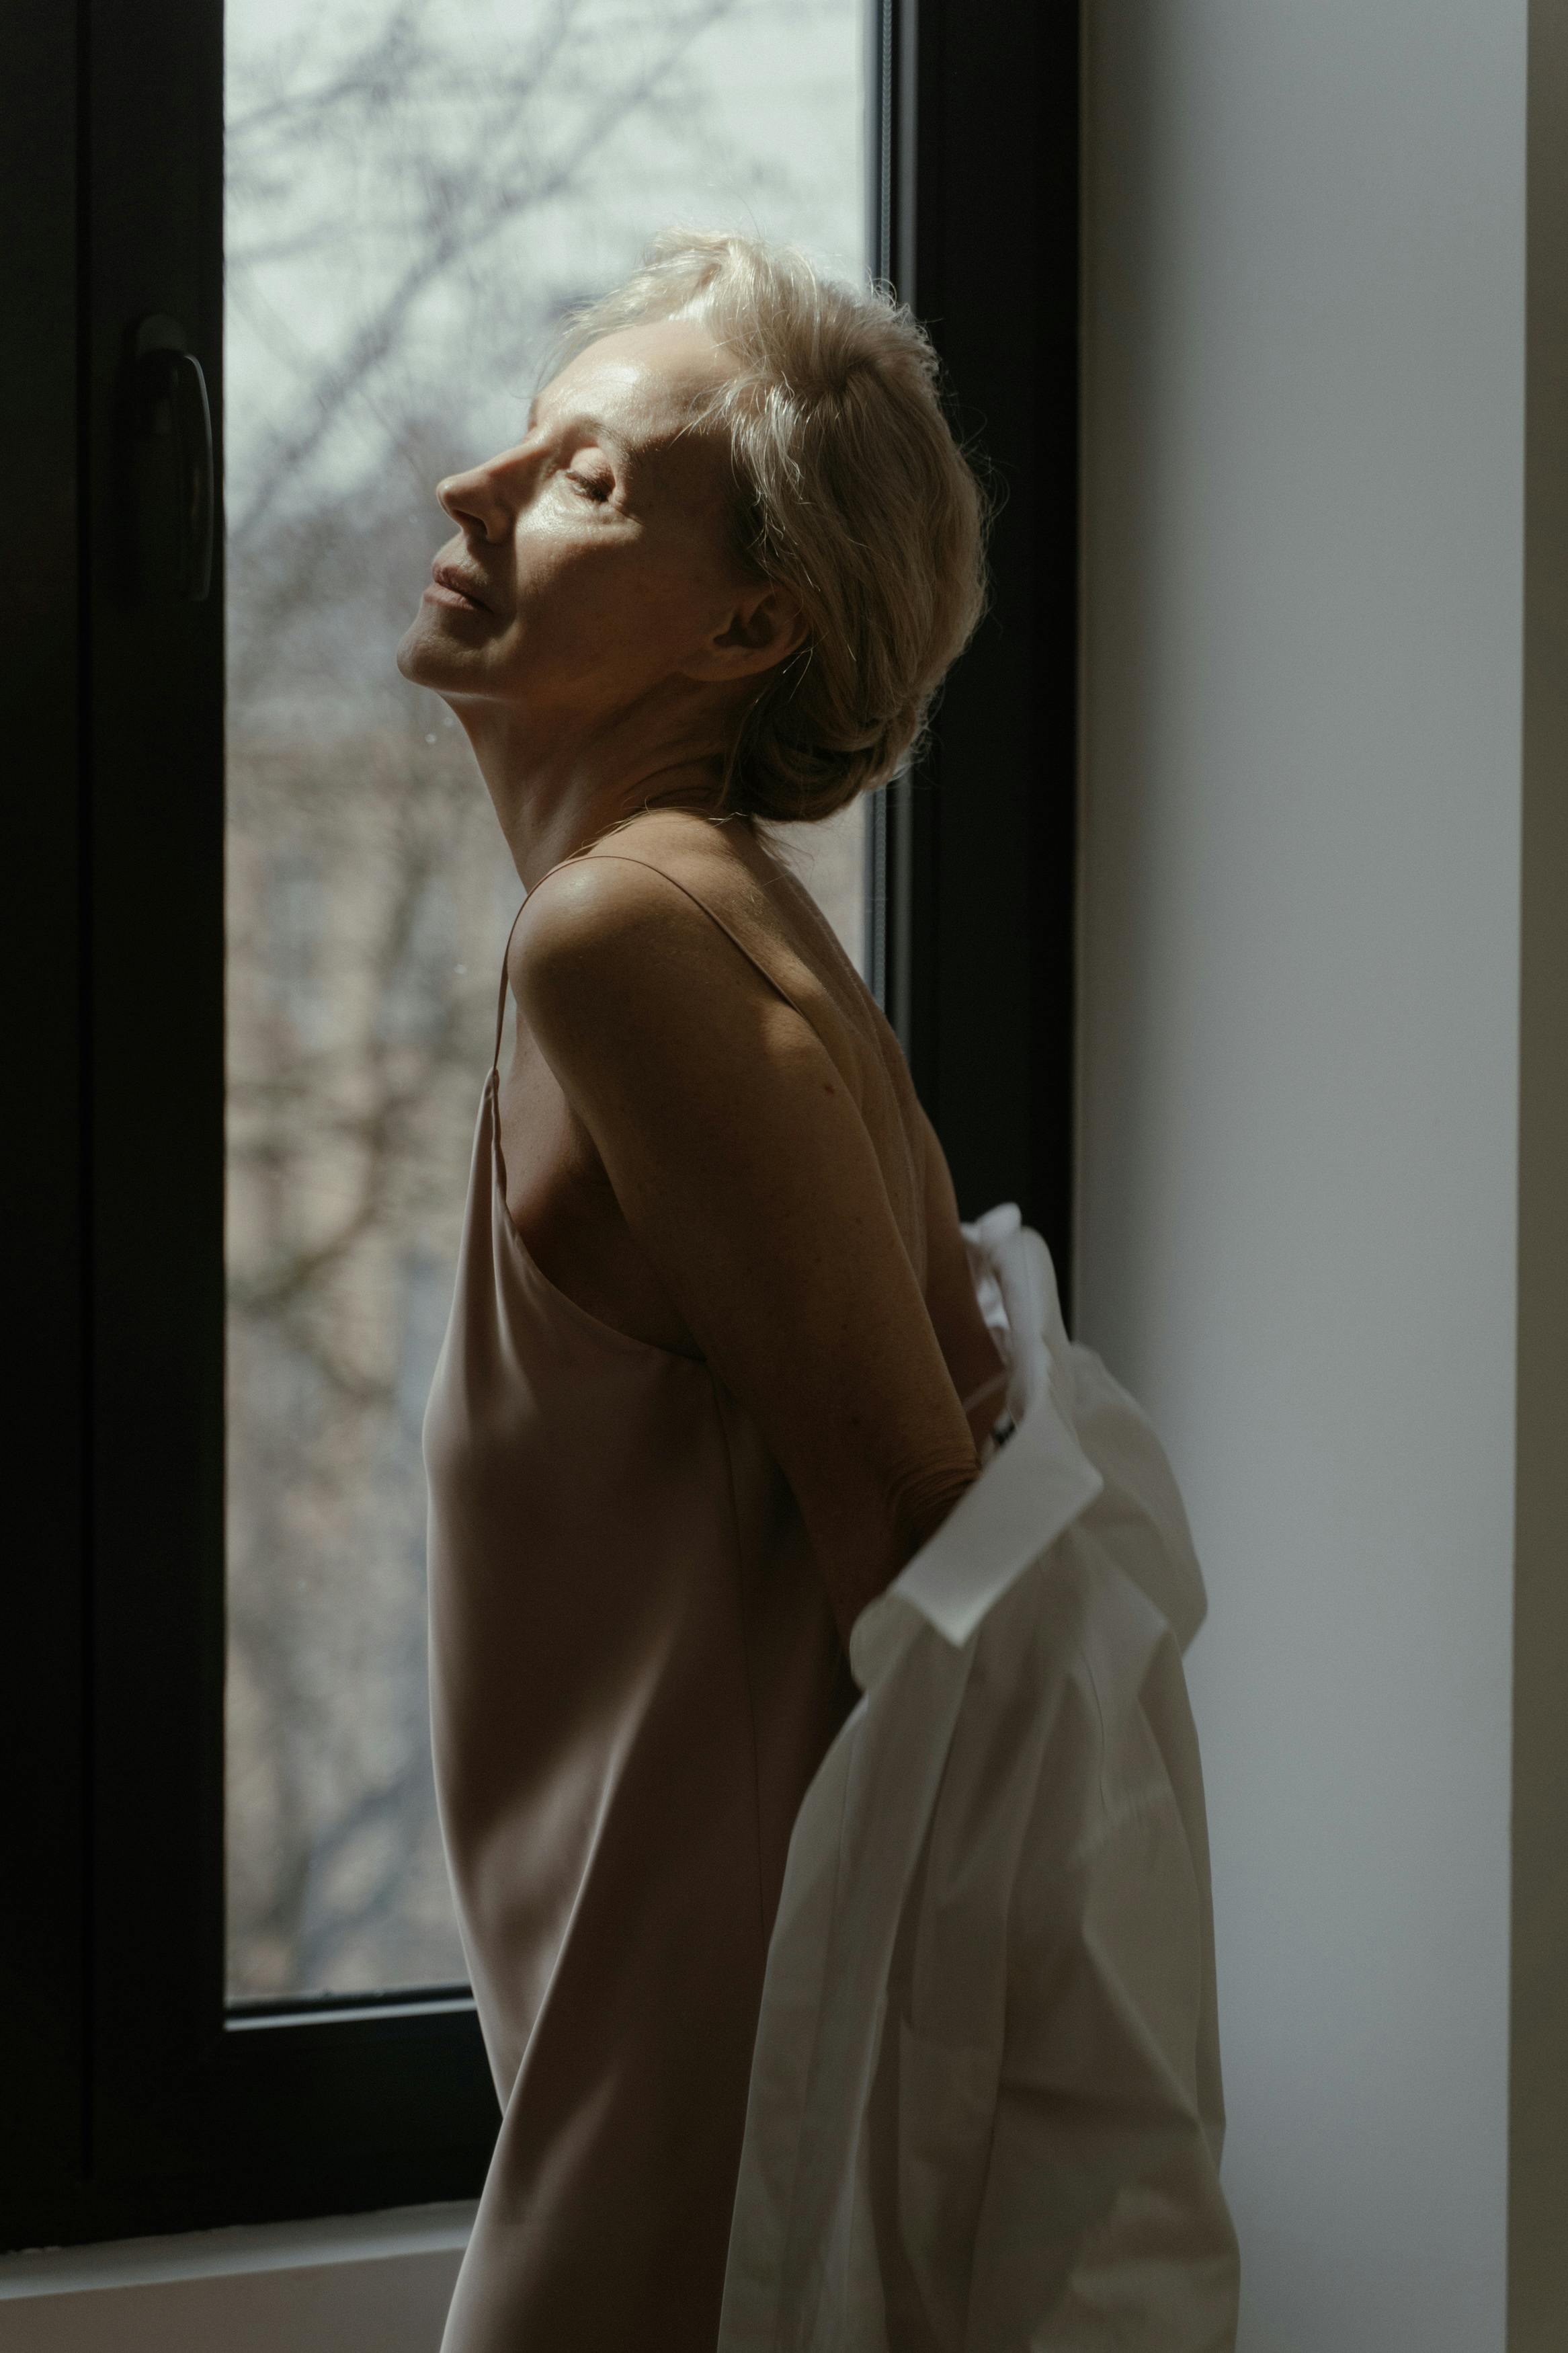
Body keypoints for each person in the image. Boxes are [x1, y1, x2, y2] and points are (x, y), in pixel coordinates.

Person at [401, 229, 1008, 2352]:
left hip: (700, 2102)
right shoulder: (679, 920)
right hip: (663, 2055)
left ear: (753, 622)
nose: (478, 488)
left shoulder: (632, 944)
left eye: (581, 478)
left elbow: (937, 1598)